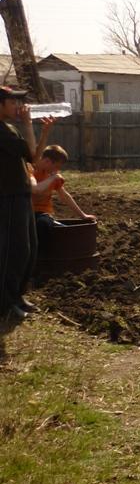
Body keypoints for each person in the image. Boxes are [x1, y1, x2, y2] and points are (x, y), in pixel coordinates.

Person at [0, 86, 38, 321]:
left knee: (29, 248)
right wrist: (28, 125)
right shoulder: (1, 131)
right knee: (11, 251)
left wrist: (28, 126)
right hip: (7, 196)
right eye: (12, 102)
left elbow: (32, 156)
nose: (18, 107)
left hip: (21, 194)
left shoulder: (9, 128)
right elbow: (31, 152)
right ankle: (5, 303)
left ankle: (18, 295)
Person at [31, 144, 95, 254]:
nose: (58, 170)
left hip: (42, 214)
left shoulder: (52, 175)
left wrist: (82, 215)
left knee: (45, 224)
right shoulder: (31, 171)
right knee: (39, 226)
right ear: (47, 161)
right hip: (26, 212)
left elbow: (65, 196)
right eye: (57, 166)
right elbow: (35, 189)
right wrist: (53, 178)